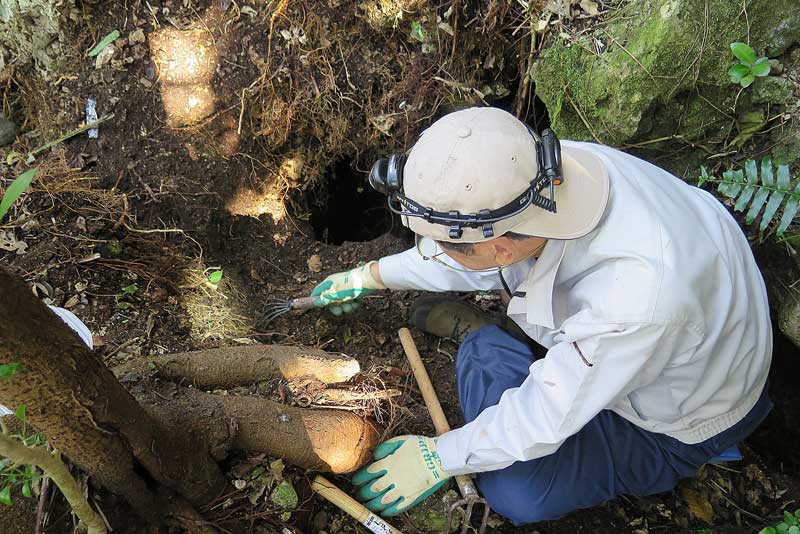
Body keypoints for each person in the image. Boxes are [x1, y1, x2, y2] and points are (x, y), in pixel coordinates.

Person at [310, 107, 773, 524]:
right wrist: (372, 275)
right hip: (693, 334)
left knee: (519, 493)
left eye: (445, 246)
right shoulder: (542, 175)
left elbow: (547, 414)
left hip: (678, 416)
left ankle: (484, 341)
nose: (438, 254)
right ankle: (503, 340)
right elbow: (478, 255)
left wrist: (439, 456)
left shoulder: (635, 298)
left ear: (499, 247)